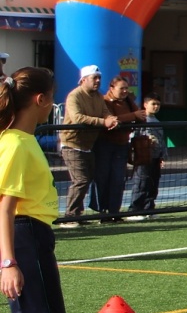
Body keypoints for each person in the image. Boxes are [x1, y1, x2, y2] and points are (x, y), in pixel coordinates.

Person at [0, 67, 78, 313]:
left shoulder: (21, 140)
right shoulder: (16, 143)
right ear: (40, 100)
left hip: (32, 235)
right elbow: (5, 205)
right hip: (24, 237)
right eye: (53, 97)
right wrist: (8, 261)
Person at [59, 65, 117, 219]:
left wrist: (111, 119)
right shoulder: (74, 96)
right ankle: (69, 216)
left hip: (88, 144)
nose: (98, 81)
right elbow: (77, 117)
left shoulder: (98, 96)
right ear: (83, 80)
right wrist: (103, 122)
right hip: (72, 143)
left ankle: (78, 213)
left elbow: (105, 112)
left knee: (86, 179)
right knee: (81, 180)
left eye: (99, 78)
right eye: (94, 78)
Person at [97, 76, 146, 221]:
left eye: (126, 88)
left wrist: (136, 115)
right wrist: (133, 116)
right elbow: (112, 119)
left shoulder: (129, 101)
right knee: (103, 178)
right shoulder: (105, 101)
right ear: (111, 88)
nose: (125, 91)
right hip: (105, 144)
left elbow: (140, 116)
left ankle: (115, 211)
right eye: (122, 88)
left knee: (119, 179)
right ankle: (103, 212)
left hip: (122, 145)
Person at [127, 93, 168, 215]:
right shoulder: (140, 119)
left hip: (155, 157)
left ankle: (148, 207)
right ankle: (135, 209)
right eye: (153, 104)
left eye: (158, 104)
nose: (156, 106)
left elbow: (162, 140)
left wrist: (162, 156)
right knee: (141, 182)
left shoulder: (157, 121)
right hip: (143, 156)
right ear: (145, 105)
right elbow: (133, 136)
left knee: (153, 183)